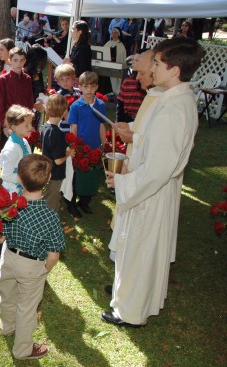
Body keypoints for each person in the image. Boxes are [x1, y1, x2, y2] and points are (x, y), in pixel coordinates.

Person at [102, 38, 204, 327]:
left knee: (141, 251)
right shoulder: (170, 97)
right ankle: (127, 302)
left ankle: (130, 312)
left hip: (150, 192)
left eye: (157, 63)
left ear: (174, 70)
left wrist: (123, 183)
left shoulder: (175, 108)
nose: (150, 68)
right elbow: (153, 141)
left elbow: (160, 167)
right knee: (137, 250)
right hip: (148, 187)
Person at [0, 154, 65, 360]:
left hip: (8, 257)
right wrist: (45, 269)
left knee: (7, 295)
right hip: (32, 265)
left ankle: (7, 327)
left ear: (19, 178)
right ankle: (22, 350)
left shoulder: (10, 206)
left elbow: (0, 236)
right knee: (26, 309)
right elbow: (54, 254)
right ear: (48, 179)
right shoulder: (50, 216)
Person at [67, 71, 106, 215]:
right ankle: (72, 204)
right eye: (85, 86)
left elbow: (102, 125)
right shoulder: (76, 106)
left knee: (91, 175)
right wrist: (74, 146)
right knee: (76, 177)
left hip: (94, 147)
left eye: (92, 86)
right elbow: (74, 127)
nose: (89, 89)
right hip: (81, 147)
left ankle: (84, 202)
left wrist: (104, 144)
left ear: (96, 87)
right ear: (80, 87)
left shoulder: (100, 104)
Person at [0, 47, 42, 151]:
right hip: (10, 122)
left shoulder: (27, 79)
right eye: (15, 60)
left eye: (21, 60)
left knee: (24, 152)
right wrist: (5, 125)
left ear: (25, 61)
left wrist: (31, 124)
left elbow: (30, 102)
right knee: (10, 152)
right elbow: (0, 104)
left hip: (24, 122)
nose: (19, 63)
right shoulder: (4, 79)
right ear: (10, 61)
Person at [41, 94, 73, 212]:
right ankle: (50, 224)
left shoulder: (45, 127)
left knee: (48, 196)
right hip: (55, 174)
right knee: (52, 202)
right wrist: (68, 153)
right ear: (64, 111)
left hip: (47, 171)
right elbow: (58, 161)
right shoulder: (58, 133)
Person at [0, 105, 33, 194]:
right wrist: (25, 179)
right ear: (14, 127)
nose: (30, 127)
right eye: (26, 125)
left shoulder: (24, 141)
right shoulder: (11, 149)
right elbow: (6, 175)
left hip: (22, 187)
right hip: (12, 192)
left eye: (30, 123)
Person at [104, 27, 127, 94]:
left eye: (115, 33)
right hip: (106, 67)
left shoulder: (121, 46)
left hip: (115, 68)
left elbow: (122, 58)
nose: (113, 34)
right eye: (113, 32)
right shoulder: (108, 43)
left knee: (115, 81)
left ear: (119, 34)